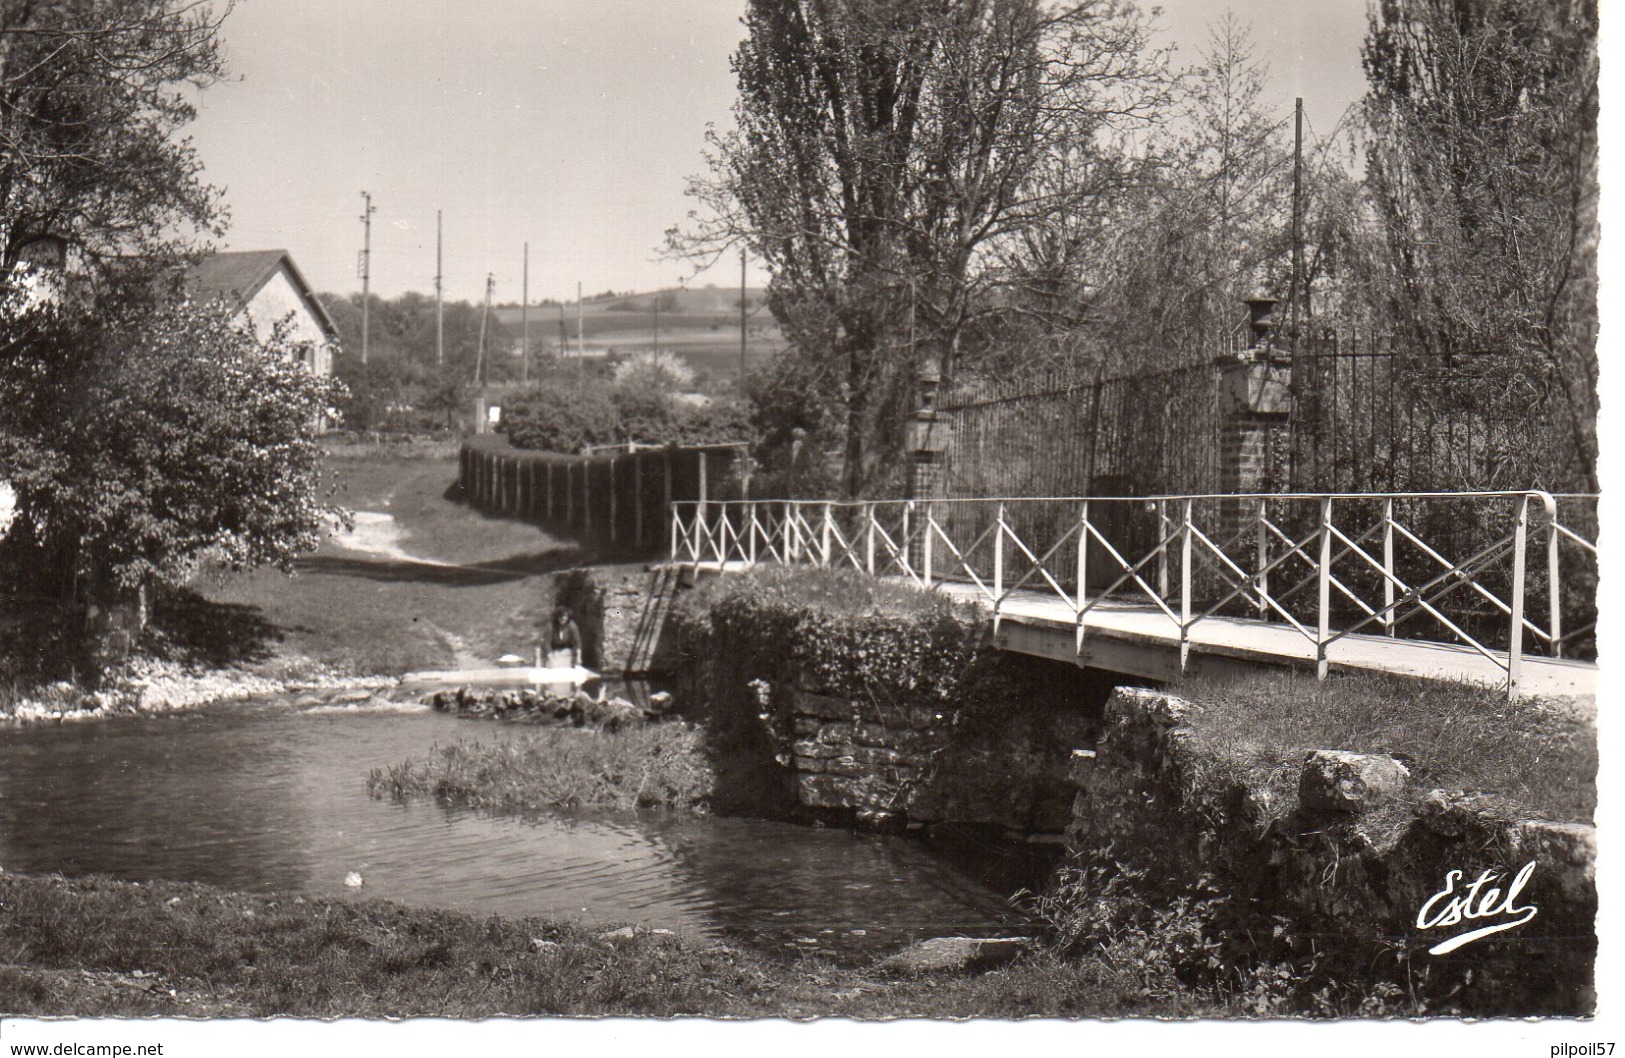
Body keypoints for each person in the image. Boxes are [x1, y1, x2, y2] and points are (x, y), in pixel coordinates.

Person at [547, 605, 583, 669]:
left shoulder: (572, 626)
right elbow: (547, 643)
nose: (563, 618)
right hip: (554, 651)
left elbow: (577, 642)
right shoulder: (551, 626)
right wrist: (550, 657)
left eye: (565, 616)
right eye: (560, 616)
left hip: (567, 651)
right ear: (557, 617)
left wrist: (579, 657)